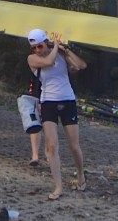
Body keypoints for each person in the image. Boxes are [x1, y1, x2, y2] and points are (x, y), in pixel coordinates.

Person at [26, 28, 87, 200]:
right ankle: (58, 186)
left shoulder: (59, 53)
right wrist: (55, 48)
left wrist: (65, 51)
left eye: (40, 46)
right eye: (35, 47)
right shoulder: (33, 59)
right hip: (48, 102)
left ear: (46, 42)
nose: (38, 50)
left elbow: (81, 66)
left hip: (67, 100)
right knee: (51, 146)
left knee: (74, 146)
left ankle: (81, 176)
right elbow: (48, 62)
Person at [27, 66, 43, 167]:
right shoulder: (35, 58)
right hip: (37, 89)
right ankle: (35, 155)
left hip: (55, 91)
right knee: (36, 121)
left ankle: (49, 153)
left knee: (48, 124)